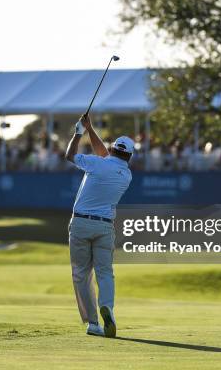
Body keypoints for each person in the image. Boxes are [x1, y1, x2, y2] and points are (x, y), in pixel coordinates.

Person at [64, 114, 134, 338]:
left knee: (82, 274)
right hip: (105, 227)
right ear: (129, 156)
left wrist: (78, 132)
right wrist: (90, 128)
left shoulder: (96, 164)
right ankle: (108, 308)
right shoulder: (126, 175)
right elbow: (105, 156)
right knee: (105, 273)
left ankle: (93, 323)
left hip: (81, 223)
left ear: (112, 149)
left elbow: (70, 155)